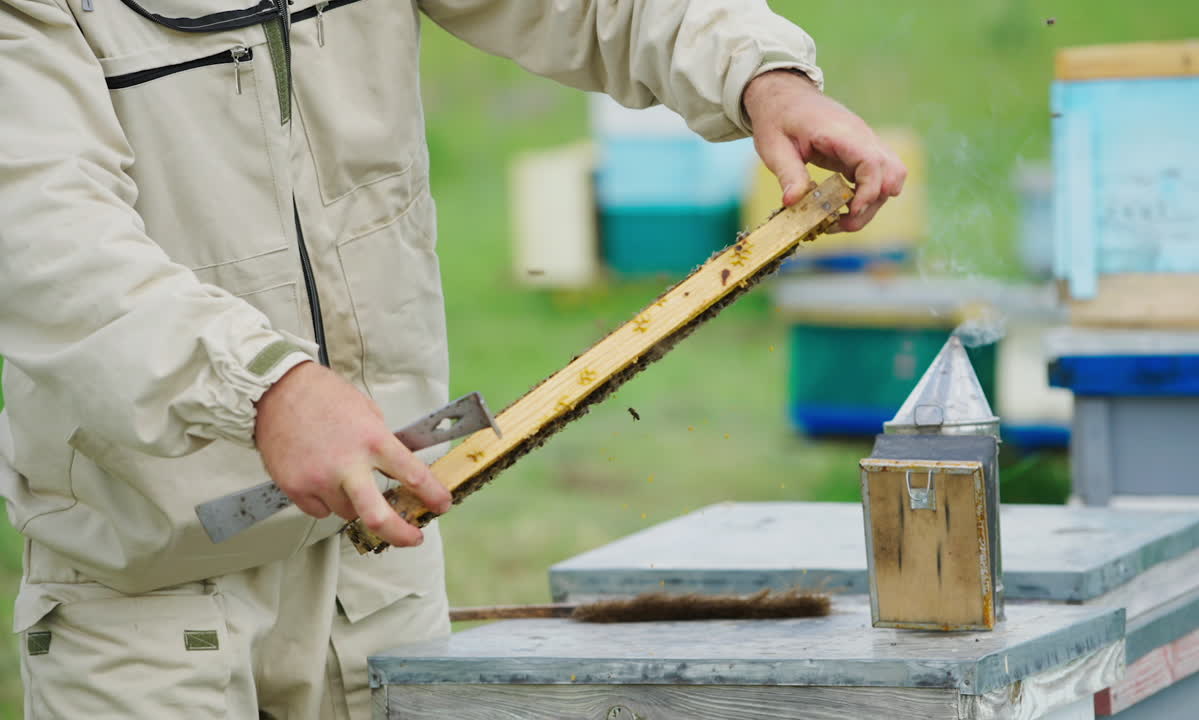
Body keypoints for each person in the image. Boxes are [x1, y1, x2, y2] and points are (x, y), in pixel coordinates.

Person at [0, 0, 906, 716]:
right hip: (149, 590)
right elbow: (45, 237)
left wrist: (761, 72)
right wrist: (261, 387)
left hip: (382, 555)